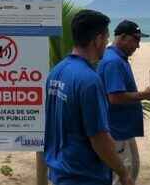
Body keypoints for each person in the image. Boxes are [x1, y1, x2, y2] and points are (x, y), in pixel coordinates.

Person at [44, 10, 134, 185]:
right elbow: (99, 139)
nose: (107, 44)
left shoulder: (57, 71)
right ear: (97, 39)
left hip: (59, 173)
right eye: (106, 38)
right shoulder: (89, 81)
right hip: (84, 176)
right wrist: (123, 173)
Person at [97, 20, 150, 185]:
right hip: (115, 130)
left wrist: (144, 94)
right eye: (135, 40)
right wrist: (144, 95)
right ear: (122, 37)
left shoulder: (119, 58)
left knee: (132, 168)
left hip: (122, 129)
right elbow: (115, 97)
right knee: (122, 175)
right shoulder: (113, 62)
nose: (138, 46)